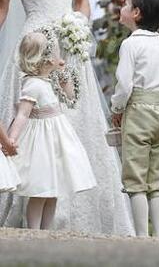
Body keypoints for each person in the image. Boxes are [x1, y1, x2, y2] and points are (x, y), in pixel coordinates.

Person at [0, 0, 134, 235]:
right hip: (32, 49)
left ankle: (76, 216)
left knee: (74, 125)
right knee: (32, 125)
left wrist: (79, 24)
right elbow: (1, 7)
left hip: (68, 49)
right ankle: (31, 212)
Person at [9, 30, 96, 229]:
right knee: (41, 191)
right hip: (41, 143)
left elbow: (71, 97)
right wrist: (12, 138)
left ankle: (48, 232)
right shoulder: (32, 85)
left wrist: (64, 79)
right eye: (57, 53)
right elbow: (23, 114)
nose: (60, 57)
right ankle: (33, 231)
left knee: (53, 192)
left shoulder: (49, 81)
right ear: (46, 60)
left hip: (56, 141)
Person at [110, 0, 159, 238]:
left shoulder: (130, 44)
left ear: (136, 13)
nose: (121, 8)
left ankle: (141, 236)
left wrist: (117, 108)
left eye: (125, 5)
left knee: (135, 176)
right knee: (157, 179)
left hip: (139, 109)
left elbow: (124, 84)